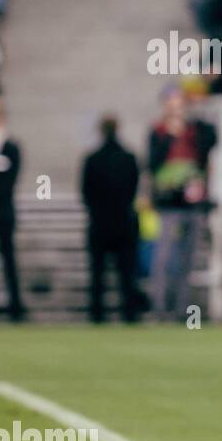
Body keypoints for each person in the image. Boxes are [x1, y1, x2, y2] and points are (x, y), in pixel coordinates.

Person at [148, 87, 216, 320]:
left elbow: (211, 142)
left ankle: (181, 310)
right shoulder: (158, 132)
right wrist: (169, 136)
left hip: (193, 203)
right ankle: (159, 309)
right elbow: (153, 164)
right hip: (169, 204)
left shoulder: (196, 130)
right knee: (163, 258)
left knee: (188, 260)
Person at [81, 114, 142, 322]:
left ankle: (97, 315)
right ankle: (130, 315)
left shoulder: (92, 160)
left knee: (98, 275)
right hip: (124, 223)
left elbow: (86, 193)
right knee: (127, 274)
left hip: (100, 223)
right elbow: (133, 189)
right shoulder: (128, 158)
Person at [0, 94, 24, 321]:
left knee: (8, 258)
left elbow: (10, 180)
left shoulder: (11, 146)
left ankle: (15, 306)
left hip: (3, 211)